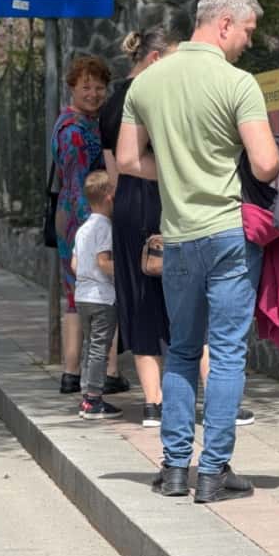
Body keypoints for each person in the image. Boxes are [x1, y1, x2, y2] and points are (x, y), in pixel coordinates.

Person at [117, 0, 279, 503]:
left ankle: (172, 469)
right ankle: (212, 473)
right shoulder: (239, 84)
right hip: (229, 233)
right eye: (247, 32)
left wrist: (173, 175)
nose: (248, 44)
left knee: (183, 350)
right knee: (228, 354)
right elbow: (266, 164)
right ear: (224, 23)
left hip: (179, 238)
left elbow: (124, 161)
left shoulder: (145, 83)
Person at [98, 28, 178, 427]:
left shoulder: (112, 102)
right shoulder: (155, 96)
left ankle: (152, 403)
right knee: (188, 295)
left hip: (127, 206)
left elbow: (112, 169)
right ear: (155, 60)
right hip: (161, 198)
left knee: (140, 296)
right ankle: (219, 399)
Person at [50, 56, 128, 396]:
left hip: (70, 218)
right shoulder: (75, 132)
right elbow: (84, 182)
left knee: (75, 294)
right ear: (71, 88)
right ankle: (107, 372)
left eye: (99, 87)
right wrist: (99, 220)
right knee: (104, 293)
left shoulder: (77, 124)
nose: (94, 94)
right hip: (87, 216)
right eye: (86, 87)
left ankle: (71, 372)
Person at [71, 170, 123, 419]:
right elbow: (103, 262)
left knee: (90, 345)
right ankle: (94, 399)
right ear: (109, 197)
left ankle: (87, 396)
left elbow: (74, 264)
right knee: (100, 348)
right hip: (102, 297)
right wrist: (124, 271)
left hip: (82, 296)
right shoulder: (105, 227)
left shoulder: (83, 229)